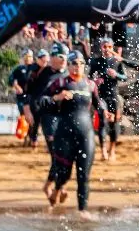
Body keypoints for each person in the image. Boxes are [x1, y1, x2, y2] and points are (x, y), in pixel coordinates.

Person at [38, 50, 98, 216]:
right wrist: (57, 98)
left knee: (83, 175)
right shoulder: (60, 82)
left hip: (86, 134)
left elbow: (99, 104)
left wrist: (107, 112)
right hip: (65, 133)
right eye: (74, 63)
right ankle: (57, 189)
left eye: (80, 64)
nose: (77, 67)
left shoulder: (90, 84)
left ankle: (82, 211)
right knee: (64, 173)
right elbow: (42, 102)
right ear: (69, 65)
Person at [88, 37, 128, 161]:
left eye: (109, 47)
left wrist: (116, 74)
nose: (107, 49)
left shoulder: (117, 61)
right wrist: (95, 81)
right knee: (102, 121)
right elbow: (89, 79)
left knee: (114, 123)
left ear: (113, 48)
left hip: (114, 95)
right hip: (100, 96)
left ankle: (112, 149)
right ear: (101, 48)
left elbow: (125, 77)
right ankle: (103, 150)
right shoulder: (95, 61)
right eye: (104, 47)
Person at [25, 43, 68, 155]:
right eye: (61, 56)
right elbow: (28, 90)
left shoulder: (69, 73)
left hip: (64, 115)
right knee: (54, 148)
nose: (64, 60)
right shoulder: (40, 72)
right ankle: (33, 140)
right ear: (52, 57)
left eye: (66, 57)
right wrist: (27, 109)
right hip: (46, 112)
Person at [8, 49, 36, 118]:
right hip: (22, 98)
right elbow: (11, 79)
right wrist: (16, 86)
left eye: (30, 56)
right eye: (26, 56)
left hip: (33, 98)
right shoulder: (18, 69)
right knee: (24, 118)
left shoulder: (36, 68)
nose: (28, 58)